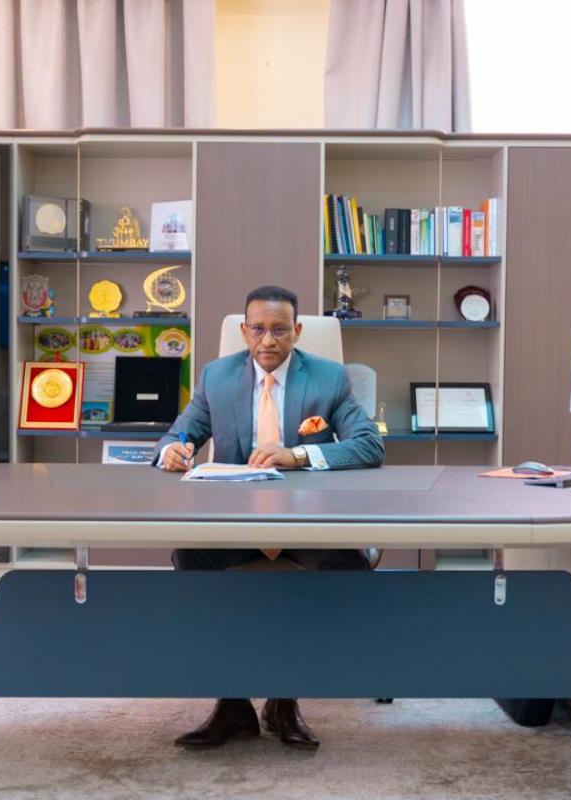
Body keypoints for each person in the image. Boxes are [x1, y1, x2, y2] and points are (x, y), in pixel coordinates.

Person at [155, 285, 384, 751]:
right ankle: (232, 704)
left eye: (280, 330)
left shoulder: (328, 378)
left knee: (348, 568)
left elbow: (369, 445)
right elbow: (178, 435)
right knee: (191, 560)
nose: (268, 340)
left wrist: (297, 455)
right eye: (258, 329)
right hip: (236, 522)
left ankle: (284, 699)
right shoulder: (217, 377)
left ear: (296, 331)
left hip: (306, 522)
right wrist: (172, 452)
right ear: (244, 331)